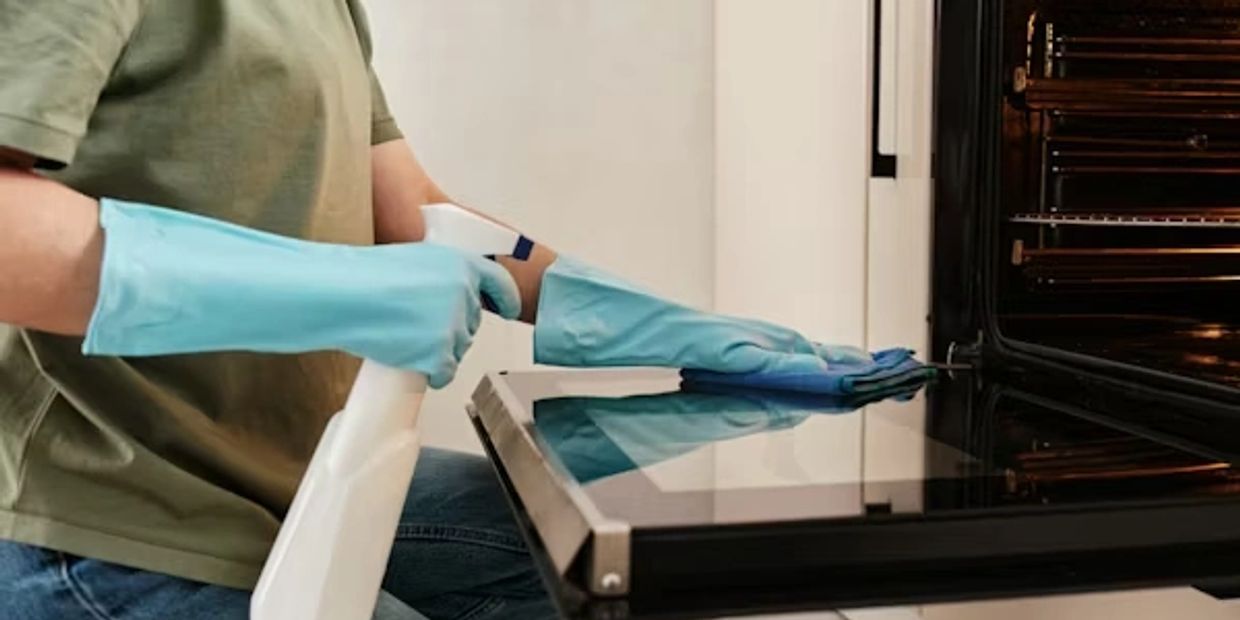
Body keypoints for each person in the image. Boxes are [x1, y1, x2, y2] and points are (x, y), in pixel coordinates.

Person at [0, 2, 867, 619]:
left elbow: (413, 209)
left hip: (292, 471)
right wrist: (334, 289)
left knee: (623, 566)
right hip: (115, 517)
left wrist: (650, 320)